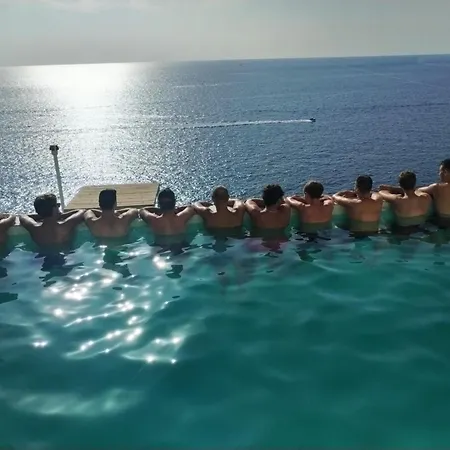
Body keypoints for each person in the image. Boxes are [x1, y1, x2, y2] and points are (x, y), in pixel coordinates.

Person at [19, 193, 85, 246]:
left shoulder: (35, 229)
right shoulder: (66, 225)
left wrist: (43, 215)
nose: (59, 207)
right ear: (54, 209)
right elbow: (81, 211)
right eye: (57, 205)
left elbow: (22, 216)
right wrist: (62, 215)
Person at [418, 159, 450, 227]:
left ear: (445, 172)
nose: (439, 174)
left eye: (440, 171)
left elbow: (416, 191)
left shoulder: (436, 188)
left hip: (443, 223)